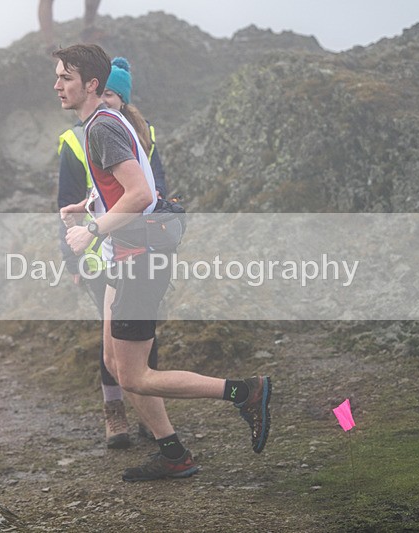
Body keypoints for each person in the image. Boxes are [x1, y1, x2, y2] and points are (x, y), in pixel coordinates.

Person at [53, 44, 272, 482]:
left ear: (91, 84)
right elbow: (129, 185)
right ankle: (174, 455)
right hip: (125, 255)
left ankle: (245, 392)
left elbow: (142, 195)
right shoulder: (102, 124)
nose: (57, 85)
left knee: (135, 375)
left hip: (140, 257)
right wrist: (88, 204)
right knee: (116, 364)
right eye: (57, 76)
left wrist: (92, 230)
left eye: (66, 78)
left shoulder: (101, 129)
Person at [56, 55, 166, 449]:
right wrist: (74, 252)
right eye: (109, 92)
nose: (111, 99)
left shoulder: (127, 132)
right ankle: (115, 413)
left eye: (117, 94)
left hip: (131, 249)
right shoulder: (77, 137)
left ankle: (155, 426)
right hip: (95, 252)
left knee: (135, 347)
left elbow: (148, 192)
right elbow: (77, 198)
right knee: (114, 350)